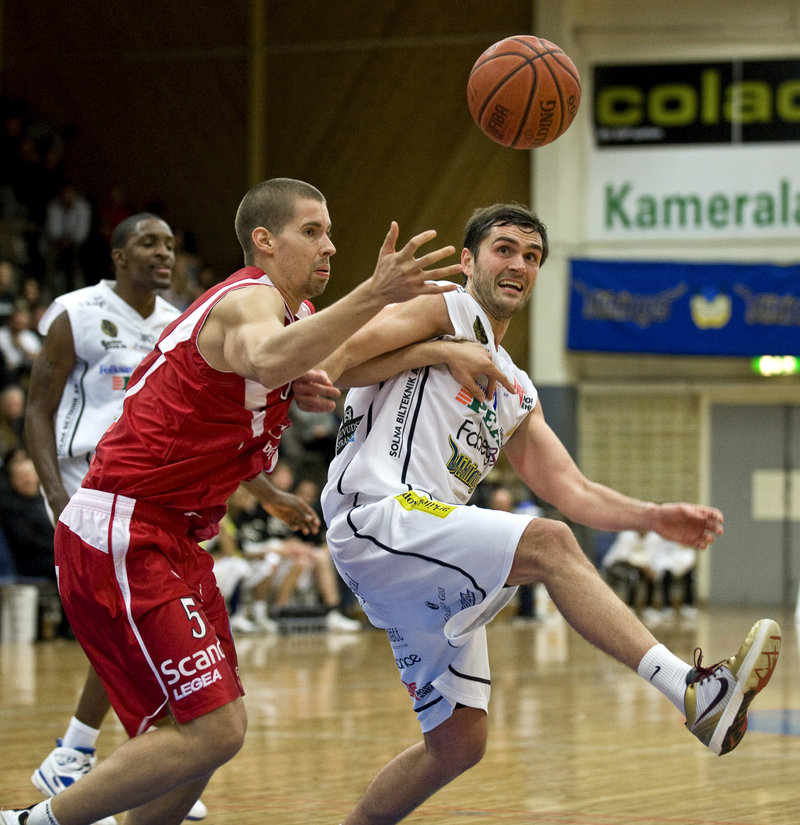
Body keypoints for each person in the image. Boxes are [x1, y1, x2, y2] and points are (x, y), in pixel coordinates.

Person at [1, 177, 487, 825]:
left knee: (201, 738)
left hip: (173, 536)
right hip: (124, 523)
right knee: (214, 729)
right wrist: (375, 293)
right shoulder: (248, 298)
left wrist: (434, 352)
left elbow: (325, 367)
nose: (330, 246)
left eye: (330, 232)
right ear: (265, 240)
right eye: (311, 231)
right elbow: (264, 357)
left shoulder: (295, 314)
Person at [316, 202, 782, 825]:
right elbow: (332, 359)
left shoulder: (515, 388)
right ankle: (693, 691)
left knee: (458, 744)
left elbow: (572, 488)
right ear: (468, 261)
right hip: (378, 516)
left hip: (421, 545)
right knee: (551, 543)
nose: (519, 264)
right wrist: (435, 353)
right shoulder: (447, 309)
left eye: (532, 256)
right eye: (504, 249)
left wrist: (651, 516)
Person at [23, 212, 209, 822]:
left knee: (135, 624)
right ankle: (110, 757)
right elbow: (38, 408)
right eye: (148, 242)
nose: (164, 252)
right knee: (129, 624)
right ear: (119, 256)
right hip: (85, 483)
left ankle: (91, 756)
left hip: (147, 488)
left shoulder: (178, 322)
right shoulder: (76, 312)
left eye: (170, 243)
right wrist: (56, 493)